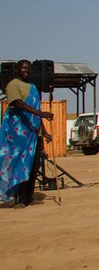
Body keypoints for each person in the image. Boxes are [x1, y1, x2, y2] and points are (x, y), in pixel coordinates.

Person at [1, 60, 52, 207]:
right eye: (24, 68)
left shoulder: (33, 88)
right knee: (19, 165)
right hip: (18, 135)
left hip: (33, 134)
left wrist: (45, 132)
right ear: (17, 69)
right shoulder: (13, 85)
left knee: (33, 165)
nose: (26, 71)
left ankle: (28, 196)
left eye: (29, 69)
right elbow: (18, 104)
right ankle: (18, 198)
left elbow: (35, 112)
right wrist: (41, 113)